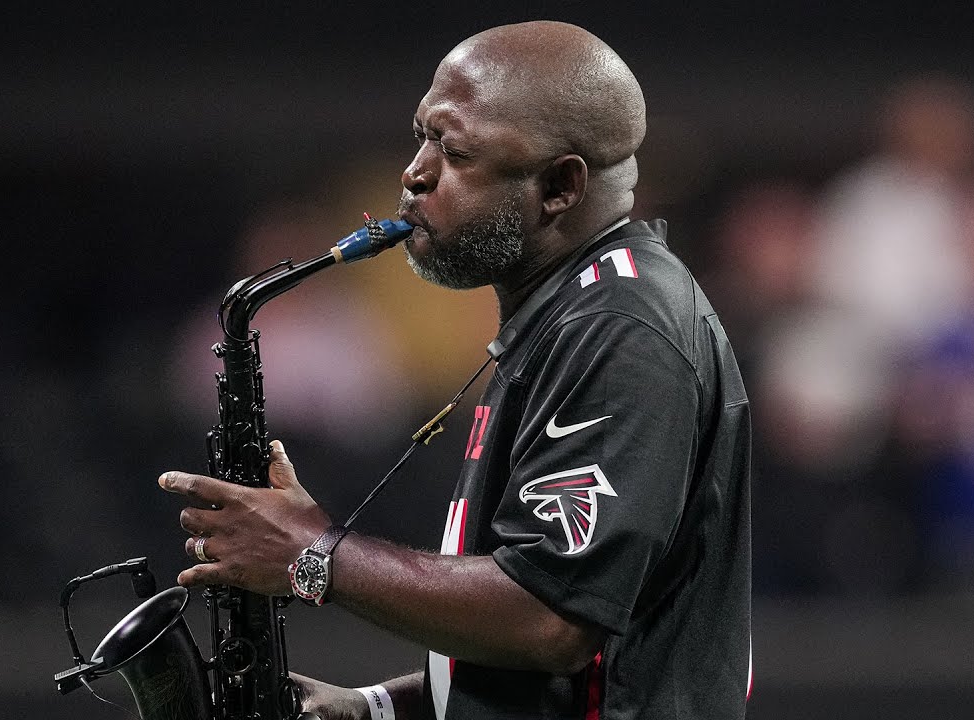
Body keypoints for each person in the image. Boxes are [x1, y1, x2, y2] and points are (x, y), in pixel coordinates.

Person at [160, 21, 752, 719]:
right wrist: (373, 706)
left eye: (455, 149)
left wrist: (309, 552)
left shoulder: (619, 329)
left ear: (560, 186)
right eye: (421, 136)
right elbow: (553, 673)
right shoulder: (570, 311)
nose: (414, 173)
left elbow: (549, 621)